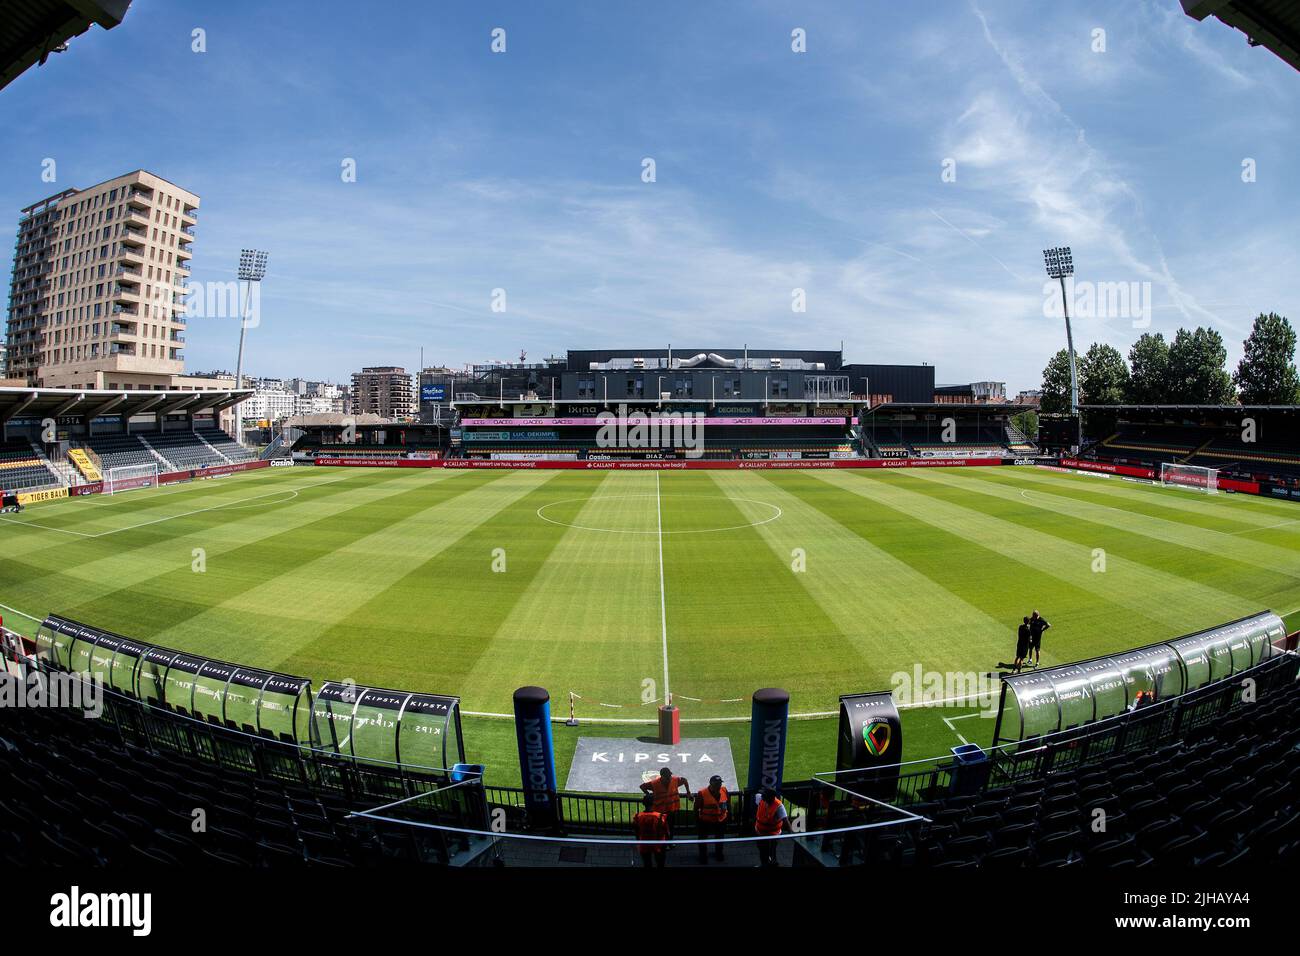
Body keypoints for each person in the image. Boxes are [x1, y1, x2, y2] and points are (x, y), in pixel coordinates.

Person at [694, 774, 729, 863]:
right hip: (706, 821)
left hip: (721, 820)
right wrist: (697, 821)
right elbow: (696, 807)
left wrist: (729, 816)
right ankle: (703, 856)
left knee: (720, 838)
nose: (719, 785)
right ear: (710, 783)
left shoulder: (724, 790)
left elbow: (727, 804)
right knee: (702, 839)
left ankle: (719, 854)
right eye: (716, 784)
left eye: (720, 783)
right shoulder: (702, 793)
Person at [753, 787, 788, 868]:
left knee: (771, 852)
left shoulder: (779, 806)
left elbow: (786, 821)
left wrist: (792, 835)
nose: (762, 796)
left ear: (770, 797)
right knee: (762, 850)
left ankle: (772, 863)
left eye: (764, 795)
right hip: (760, 832)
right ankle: (764, 864)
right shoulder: (760, 798)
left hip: (772, 835)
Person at [632, 794, 669, 868]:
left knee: (647, 863)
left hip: (644, 843)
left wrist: (638, 842)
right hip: (659, 843)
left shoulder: (637, 816)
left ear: (643, 803)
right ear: (654, 803)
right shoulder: (660, 817)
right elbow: (666, 831)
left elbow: (636, 831)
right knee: (660, 863)